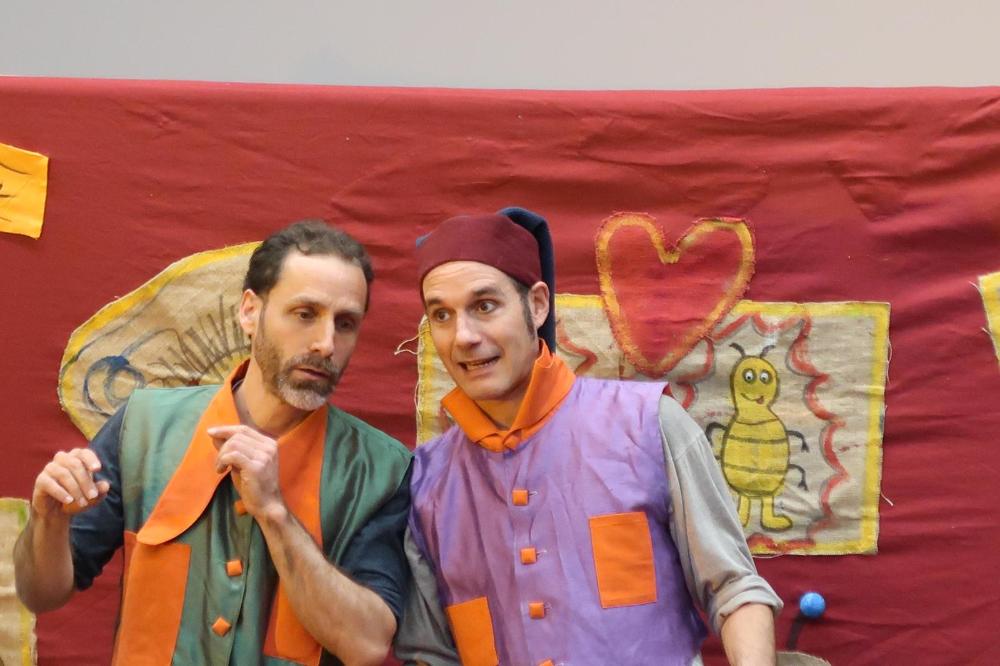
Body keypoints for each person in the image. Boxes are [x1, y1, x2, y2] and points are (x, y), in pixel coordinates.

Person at [395, 208, 782, 666]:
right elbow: (431, 654)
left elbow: (735, 589)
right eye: (441, 314)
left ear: (537, 305)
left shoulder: (647, 424)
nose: (463, 336)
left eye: (484, 306)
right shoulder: (428, 484)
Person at [15, 220, 413, 666]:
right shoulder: (144, 426)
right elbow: (41, 594)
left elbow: (367, 645)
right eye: (305, 314)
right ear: (250, 312)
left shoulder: (383, 470)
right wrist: (47, 523)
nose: (326, 344)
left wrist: (275, 514)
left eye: (346, 324)